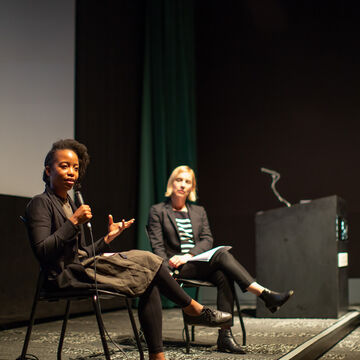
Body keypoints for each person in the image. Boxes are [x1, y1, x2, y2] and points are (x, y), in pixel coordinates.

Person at [25, 140, 232, 360]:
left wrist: (107, 238)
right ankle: (192, 308)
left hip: (80, 267)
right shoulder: (40, 203)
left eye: (75, 168)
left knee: (149, 275)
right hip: (63, 276)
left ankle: (158, 355)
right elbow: (42, 251)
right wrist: (74, 222)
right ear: (48, 170)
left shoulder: (69, 204)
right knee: (147, 260)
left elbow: (82, 251)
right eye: (64, 166)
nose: (72, 172)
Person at [147, 165, 294, 354]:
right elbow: (157, 246)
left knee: (223, 273)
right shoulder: (158, 211)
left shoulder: (199, 211)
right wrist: (170, 265)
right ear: (171, 183)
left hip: (195, 261)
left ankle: (225, 336)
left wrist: (189, 255)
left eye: (187, 181)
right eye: (179, 180)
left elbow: (207, 239)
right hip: (174, 267)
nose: (183, 185)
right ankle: (263, 294)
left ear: (192, 187)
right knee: (223, 255)